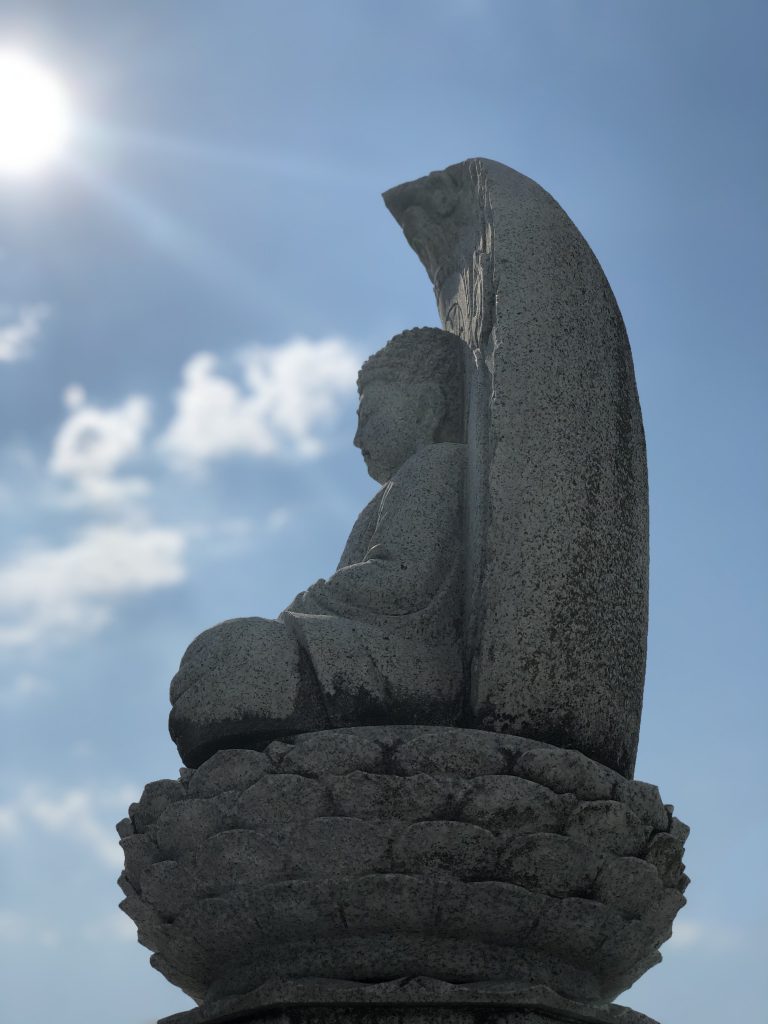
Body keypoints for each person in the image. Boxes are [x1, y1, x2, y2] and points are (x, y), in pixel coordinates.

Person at [169, 327, 468, 767]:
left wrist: (305, 606)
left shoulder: (438, 464)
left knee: (238, 653)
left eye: (370, 416)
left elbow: (405, 582)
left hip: (415, 662)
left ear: (426, 406)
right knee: (224, 655)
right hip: (360, 648)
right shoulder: (397, 488)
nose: (358, 438)